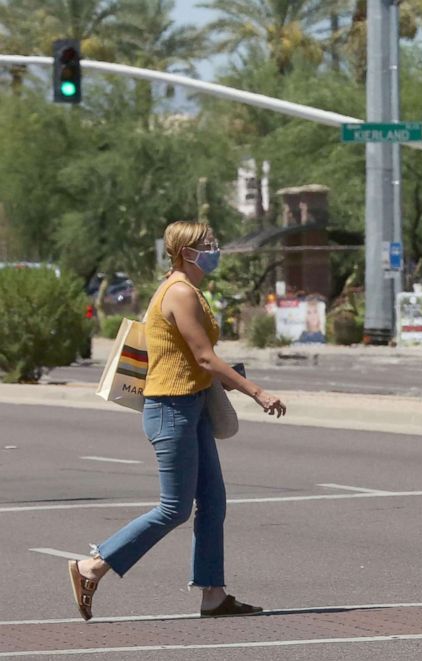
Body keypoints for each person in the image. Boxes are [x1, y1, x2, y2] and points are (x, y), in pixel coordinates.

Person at [66, 220, 287, 621]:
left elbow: (194, 360)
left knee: (213, 502)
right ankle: (91, 568)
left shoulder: (187, 290)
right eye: (208, 243)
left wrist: (223, 378)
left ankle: (213, 595)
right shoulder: (180, 292)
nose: (214, 248)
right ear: (186, 252)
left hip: (192, 404)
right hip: (172, 410)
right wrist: (257, 391)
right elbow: (204, 357)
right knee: (174, 508)